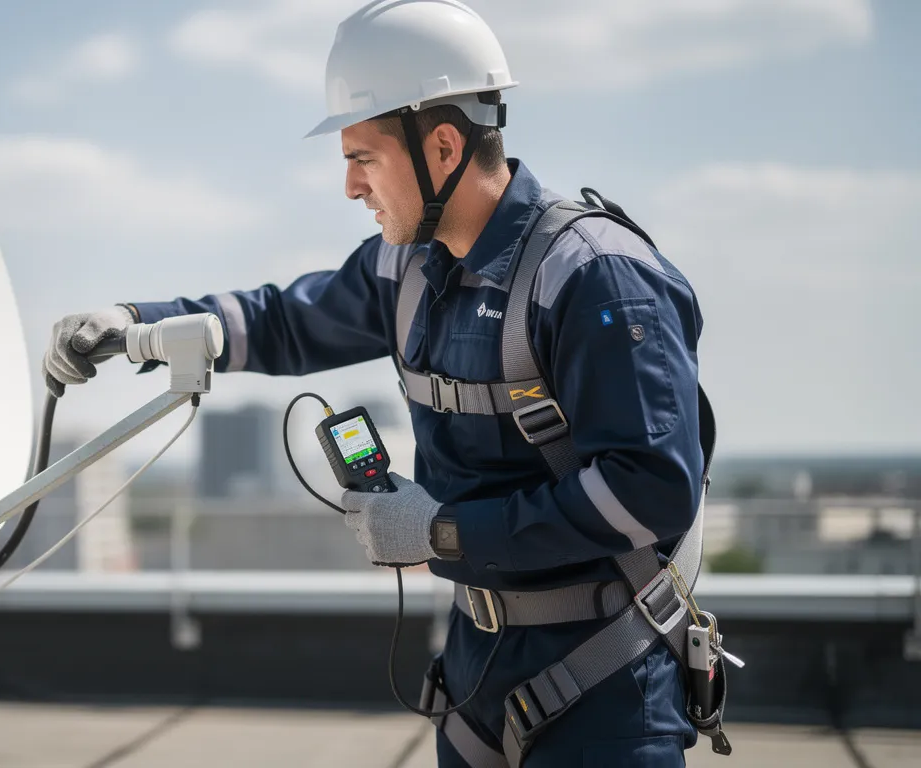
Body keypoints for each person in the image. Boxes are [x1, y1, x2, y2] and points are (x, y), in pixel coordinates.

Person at [43, 1, 715, 765]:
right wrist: (135, 324)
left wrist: (442, 533)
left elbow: (649, 491)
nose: (350, 187)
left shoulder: (594, 277)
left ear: (443, 147)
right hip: (477, 673)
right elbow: (282, 321)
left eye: (363, 157)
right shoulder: (408, 268)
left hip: (604, 688)